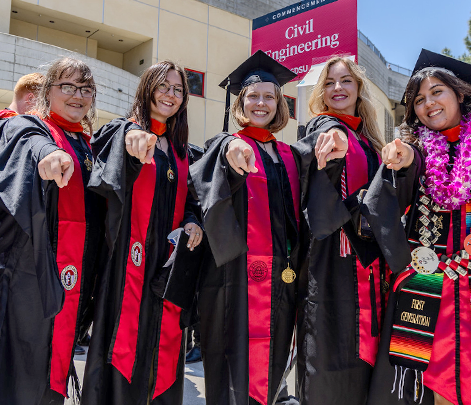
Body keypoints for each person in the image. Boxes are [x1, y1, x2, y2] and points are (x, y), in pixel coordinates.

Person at [363, 50, 471, 405]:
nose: (429, 104)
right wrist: (400, 167)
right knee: (420, 389)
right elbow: (379, 207)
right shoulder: (416, 152)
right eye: (419, 99)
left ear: (460, 93)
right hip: (427, 290)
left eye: (437, 92)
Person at [0, 57, 106, 404]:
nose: (77, 95)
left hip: (67, 281)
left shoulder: (86, 145)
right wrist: (48, 154)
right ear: (46, 91)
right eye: (67, 86)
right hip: (25, 281)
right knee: (19, 374)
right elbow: (31, 143)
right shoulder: (26, 127)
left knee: (50, 374)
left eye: (85, 89)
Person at [81, 60, 202, 405]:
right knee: (124, 346)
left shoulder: (181, 151)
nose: (170, 95)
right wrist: (129, 140)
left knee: (163, 348)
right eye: (163, 86)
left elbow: (192, 200)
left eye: (178, 89)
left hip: (167, 268)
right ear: (147, 88)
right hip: (126, 264)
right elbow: (106, 182)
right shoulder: (121, 132)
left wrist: (194, 221)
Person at [189, 50, 301, 405]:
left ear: (279, 104)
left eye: (269, 96)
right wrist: (228, 145)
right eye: (253, 96)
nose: (261, 103)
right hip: (233, 282)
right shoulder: (223, 146)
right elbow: (206, 184)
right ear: (241, 102)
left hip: (282, 281)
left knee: (273, 365)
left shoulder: (290, 155)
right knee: (232, 368)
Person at [290, 56, 387, 404]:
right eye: (329, 83)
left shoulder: (369, 139)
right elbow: (308, 162)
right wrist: (332, 148)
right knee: (329, 346)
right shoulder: (324, 127)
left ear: (359, 87)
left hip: (369, 262)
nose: (337, 88)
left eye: (345, 81)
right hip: (331, 260)